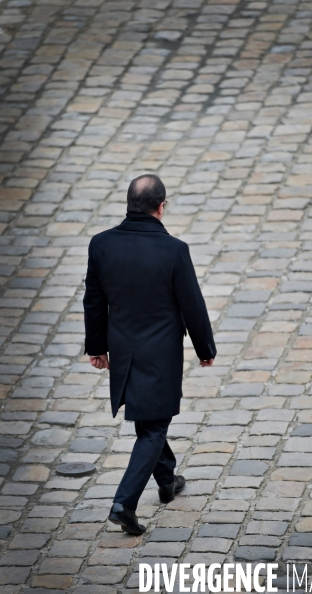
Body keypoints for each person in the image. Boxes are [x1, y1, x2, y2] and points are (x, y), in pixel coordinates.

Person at [83, 174, 216, 535]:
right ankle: (124, 503)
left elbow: (94, 302)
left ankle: (167, 479)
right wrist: (205, 349)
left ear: (129, 204)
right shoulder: (174, 250)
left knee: (148, 418)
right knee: (154, 426)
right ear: (161, 207)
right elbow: (193, 305)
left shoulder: (101, 245)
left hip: (124, 351)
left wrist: (96, 347)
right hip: (160, 354)